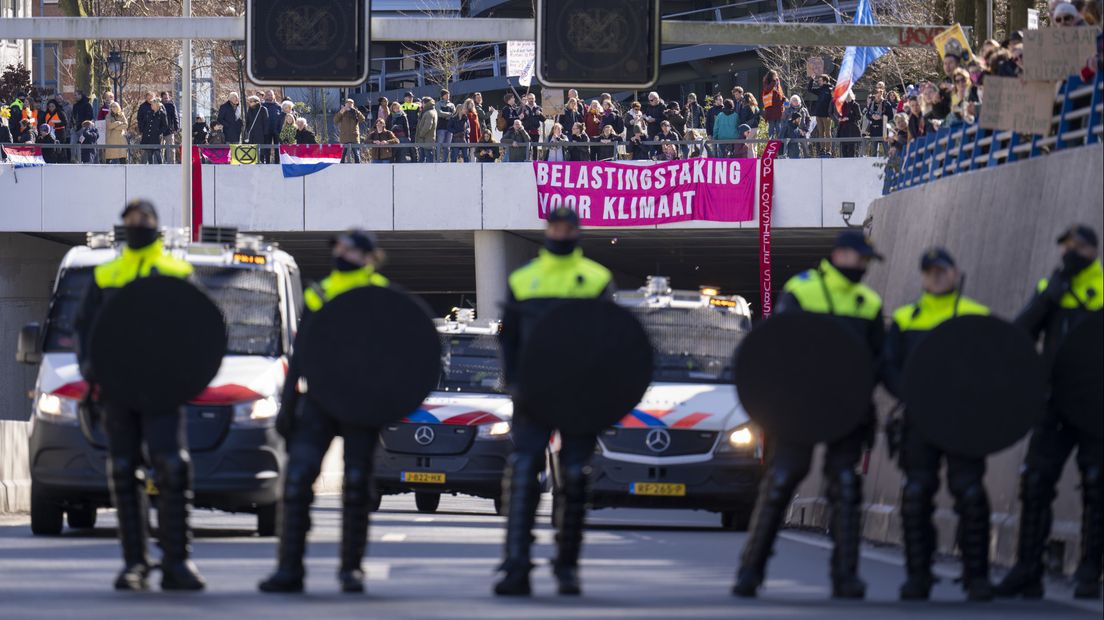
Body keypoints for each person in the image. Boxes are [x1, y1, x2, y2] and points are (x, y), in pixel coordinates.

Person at [734, 230, 884, 600]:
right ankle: (751, 571)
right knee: (781, 481)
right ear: (839, 255)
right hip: (799, 406)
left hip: (847, 408)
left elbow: (880, 362)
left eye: (866, 260)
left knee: (846, 488)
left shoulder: (868, 302)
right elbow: (780, 348)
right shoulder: (802, 290)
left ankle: (845, 576)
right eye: (858, 258)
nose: (862, 266)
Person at [73, 200, 204, 592]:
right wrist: (90, 372)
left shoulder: (177, 270)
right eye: (130, 220)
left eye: (143, 219)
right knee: (123, 470)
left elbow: (198, 330)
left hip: (163, 388)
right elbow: (85, 330)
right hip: (117, 389)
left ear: (156, 226)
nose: (137, 224)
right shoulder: (106, 274)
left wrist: (189, 375)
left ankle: (178, 563)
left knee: (172, 466)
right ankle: (135, 564)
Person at [259, 230, 391, 595]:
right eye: (339, 247)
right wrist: (287, 405)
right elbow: (300, 354)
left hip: (362, 403)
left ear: (368, 256)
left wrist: (390, 404)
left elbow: (397, 356)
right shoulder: (318, 294)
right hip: (320, 399)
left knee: (357, 485)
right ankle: (289, 570)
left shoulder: (380, 295)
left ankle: (351, 569)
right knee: (298, 478)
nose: (341, 253)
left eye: (350, 249)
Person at [494, 207, 615, 597]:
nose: (561, 233)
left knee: (576, 476)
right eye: (555, 226)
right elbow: (508, 338)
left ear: (576, 231)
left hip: (579, 396)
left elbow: (610, 342)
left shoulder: (596, 279)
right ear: (547, 229)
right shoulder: (523, 278)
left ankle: (567, 567)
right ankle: (516, 567)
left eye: (567, 227)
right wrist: (512, 383)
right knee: (524, 472)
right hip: (533, 394)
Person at [996, 225, 1103, 601]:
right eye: (1066, 247)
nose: (1070, 253)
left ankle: (1090, 571)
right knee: (1036, 482)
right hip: (1055, 404)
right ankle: (1027, 571)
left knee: (1096, 484)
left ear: (1091, 250)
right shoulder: (1050, 288)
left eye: (1078, 247)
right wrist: (1048, 299)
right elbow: (1021, 331)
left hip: (1096, 406)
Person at [881, 248, 994, 601]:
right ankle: (919, 577)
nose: (936, 277)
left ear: (956, 273)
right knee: (915, 496)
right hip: (919, 421)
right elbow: (888, 367)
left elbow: (995, 366)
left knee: (971, 495)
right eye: (930, 272)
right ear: (923, 276)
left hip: (962, 421)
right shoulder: (904, 319)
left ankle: (977, 578)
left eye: (942, 271)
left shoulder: (977, 316)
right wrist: (912, 396)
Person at [808, 74, 835, 156]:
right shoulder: (820, 89)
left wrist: (831, 114)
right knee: (820, 133)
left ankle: (828, 150)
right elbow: (809, 89)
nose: (818, 82)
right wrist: (811, 80)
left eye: (820, 80)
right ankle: (822, 149)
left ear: (825, 81)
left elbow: (834, 103)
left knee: (827, 132)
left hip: (827, 115)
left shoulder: (831, 89)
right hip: (818, 115)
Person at [335, 99, 366, 164]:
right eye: (348, 103)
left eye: (351, 103)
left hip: (354, 137)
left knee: (357, 155)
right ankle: (340, 169)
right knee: (342, 156)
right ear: (345, 104)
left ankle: (358, 169)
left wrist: (356, 111)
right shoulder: (342, 112)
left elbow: (362, 119)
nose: (349, 105)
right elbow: (335, 120)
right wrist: (341, 112)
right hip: (344, 137)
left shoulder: (356, 112)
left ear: (353, 105)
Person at [837, 91, 862, 158]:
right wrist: (839, 118)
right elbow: (838, 114)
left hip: (852, 129)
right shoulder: (841, 105)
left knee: (852, 149)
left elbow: (859, 116)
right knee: (843, 149)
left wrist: (848, 118)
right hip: (843, 129)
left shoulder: (855, 105)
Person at [761, 70, 786, 139]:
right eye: (775, 75)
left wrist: (785, 100)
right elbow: (767, 89)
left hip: (778, 109)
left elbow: (780, 94)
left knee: (778, 126)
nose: (776, 77)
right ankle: (771, 141)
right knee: (771, 126)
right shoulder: (767, 82)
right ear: (771, 76)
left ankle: (780, 142)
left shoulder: (777, 83)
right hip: (770, 109)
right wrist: (773, 82)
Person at [261, 90, 283, 164]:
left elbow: (281, 119)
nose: (270, 96)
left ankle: (277, 163)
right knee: (267, 148)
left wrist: (279, 129)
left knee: (277, 148)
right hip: (267, 131)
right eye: (268, 94)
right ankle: (267, 163)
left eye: (271, 94)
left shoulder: (278, 106)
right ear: (266, 96)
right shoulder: (262, 105)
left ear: (274, 96)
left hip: (276, 131)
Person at [435, 89, 456, 162]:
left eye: (448, 94)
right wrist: (449, 114)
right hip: (441, 127)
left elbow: (454, 114)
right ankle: (438, 160)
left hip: (449, 128)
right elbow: (439, 113)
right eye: (446, 94)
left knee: (447, 146)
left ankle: (445, 161)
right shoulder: (438, 104)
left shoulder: (452, 105)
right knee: (439, 145)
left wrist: (445, 115)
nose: (448, 96)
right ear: (442, 96)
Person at [415, 97, 437, 163]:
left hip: (426, 139)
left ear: (424, 103)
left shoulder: (429, 113)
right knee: (425, 158)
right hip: (427, 139)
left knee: (426, 159)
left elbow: (427, 126)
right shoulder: (432, 111)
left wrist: (421, 134)